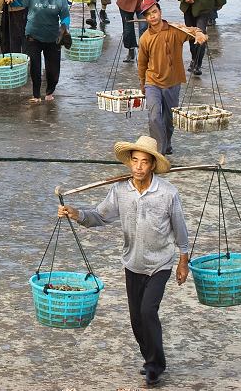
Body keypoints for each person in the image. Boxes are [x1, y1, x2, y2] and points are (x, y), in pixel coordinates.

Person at [58, 136, 189, 388]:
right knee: (136, 320)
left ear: (152, 165)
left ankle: (154, 366)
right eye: (135, 161)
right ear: (130, 163)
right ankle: (150, 358)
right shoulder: (120, 191)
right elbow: (99, 216)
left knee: (148, 311)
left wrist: (183, 260)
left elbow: (180, 230)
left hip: (160, 263)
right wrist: (76, 214)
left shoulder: (168, 193)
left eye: (144, 162)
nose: (139, 167)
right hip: (132, 263)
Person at [137, 0, 207, 154]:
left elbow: (194, 31)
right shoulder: (145, 38)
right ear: (145, 18)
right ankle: (157, 152)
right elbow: (141, 64)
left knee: (169, 120)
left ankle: (166, 145)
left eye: (154, 12)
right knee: (154, 117)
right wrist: (142, 83)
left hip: (173, 82)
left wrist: (200, 34)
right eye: (148, 15)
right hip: (152, 82)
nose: (152, 16)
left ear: (160, 12)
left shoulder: (176, 30)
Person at [4, 0, 70, 103]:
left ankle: (50, 91)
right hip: (32, 35)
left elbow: (65, 16)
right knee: (34, 66)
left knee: (53, 69)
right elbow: (18, 2)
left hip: (52, 37)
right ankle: (35, 94)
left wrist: (64, 27)